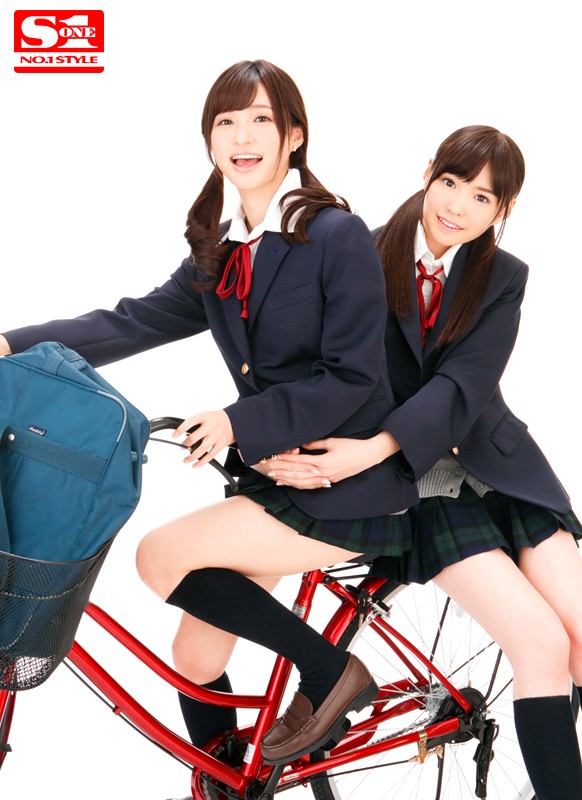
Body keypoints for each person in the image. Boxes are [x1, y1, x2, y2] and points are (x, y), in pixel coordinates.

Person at [0, 59, 419, 775]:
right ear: (209, 139)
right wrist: (11, 344)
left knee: (159, 556)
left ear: (294, 136)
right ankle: (228, 783)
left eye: (260, 120)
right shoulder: (219, 249)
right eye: (226, 122)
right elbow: (131, 321)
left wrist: (235, 421)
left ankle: (330, 673)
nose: (242, 136)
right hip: (274, 477)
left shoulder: (336, 233)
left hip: (347, 481)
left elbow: (355, 376)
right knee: (196, 657)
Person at [259, 125, 582, 799]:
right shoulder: (358, 255)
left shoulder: (503, 277)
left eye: (482, 197)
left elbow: (464, 383)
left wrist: (374, 446)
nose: (458, 206)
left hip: (500, 471)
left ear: (504, 210)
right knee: (543, 646)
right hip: (425, 488)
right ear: (429, 172)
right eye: (451, 183)